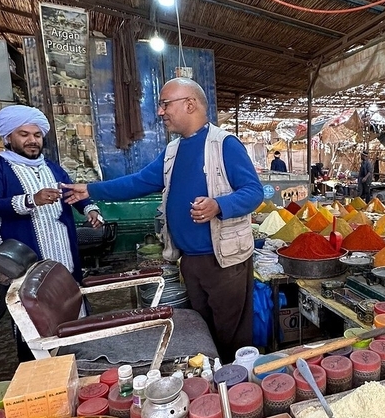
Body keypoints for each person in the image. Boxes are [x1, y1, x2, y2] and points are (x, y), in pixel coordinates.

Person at [63, 79, 264, 363]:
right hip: (190, 262)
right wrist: (92, 189)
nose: (160, 112)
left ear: (190, 104)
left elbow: (253, 191)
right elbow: (139, 182)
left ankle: (238, 385)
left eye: (165, 104)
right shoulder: (173, 151)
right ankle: (211, 383)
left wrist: (219, 205)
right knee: (202, 330)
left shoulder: (224, 145)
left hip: (225, 261)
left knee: (231, 333)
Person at [0, 105, 101, 282]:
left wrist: (89, 209)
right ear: (8, 137)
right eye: (24, 134)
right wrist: (31, 200)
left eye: (37, 135)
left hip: (63, 247)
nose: (32, 140)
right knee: (31, 299)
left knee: (70, 292)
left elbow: (71, 191)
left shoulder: (52, 167)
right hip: (23, 253)